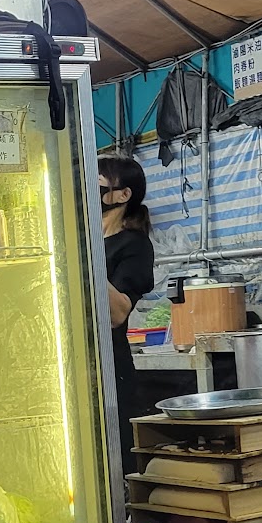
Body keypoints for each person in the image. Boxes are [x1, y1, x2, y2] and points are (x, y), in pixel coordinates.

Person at [98, 154, 155, 474]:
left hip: (109, 369)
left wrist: (89, 255)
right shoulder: (80, 239)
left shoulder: (135, 246)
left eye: (98, 184)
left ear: (123, 195)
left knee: (115, 460)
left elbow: (117, 313)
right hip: (71, 365)